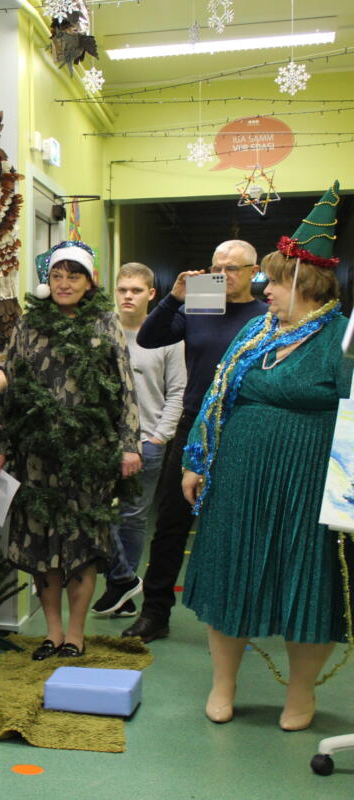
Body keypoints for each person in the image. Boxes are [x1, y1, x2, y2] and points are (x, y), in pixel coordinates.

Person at [181, 183, 349, 731]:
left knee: (307, 582)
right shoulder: (256, 330)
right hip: (239, 476)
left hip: (309, 482)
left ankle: (301, 695)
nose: (264, 290)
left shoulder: (341, 340)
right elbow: (217, 395)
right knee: (232, 572)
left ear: (303, 282)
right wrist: (195, 460)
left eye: (273, 281)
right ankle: (223, 685)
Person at [0, 241, 140, 660]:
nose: (64, 283)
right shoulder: (27, 325)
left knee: (82, 547)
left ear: (89, 282)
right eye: (57, 276)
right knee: (42, 549)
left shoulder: (106, 323)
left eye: (73, 276)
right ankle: (52, 633)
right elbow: (8, 386)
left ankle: (76, 634)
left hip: (89, 456)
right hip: (35, 457)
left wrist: (129, 445)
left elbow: (125, 386)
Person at [122, 240, 267, 643]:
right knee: (171, 523)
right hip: (193, 428)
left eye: (233, 268)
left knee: (239, 525)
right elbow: (149, 338)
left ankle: (239, 614)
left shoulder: (264, 316)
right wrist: (174, 298)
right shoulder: (200, 306)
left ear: (253, 272)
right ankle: (155, 614)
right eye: (216, 267)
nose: (223, 275)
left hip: (242, 428)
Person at [91, 263, 186, 618]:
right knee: (94, 509)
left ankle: (121, 593)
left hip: (147, 441)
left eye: (136, 290)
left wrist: (159, 438)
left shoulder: (168, 336)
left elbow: (177, 391)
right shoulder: (101, 330)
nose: (128, 296)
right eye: (122, 289)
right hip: (101, 441)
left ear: (151, 294)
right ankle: (125, 579)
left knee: (132, 516)